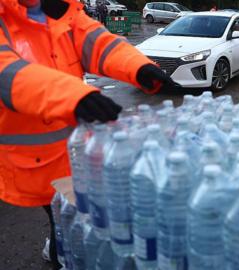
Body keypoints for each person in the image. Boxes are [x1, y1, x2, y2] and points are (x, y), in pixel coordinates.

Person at [0, 0, 175, 268]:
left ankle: (60, 249)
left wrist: (139, 67)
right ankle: (60, 253)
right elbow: (8, 72)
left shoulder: (61, 10)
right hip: (34, 154)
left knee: (76, 216)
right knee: (65, 218)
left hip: (75, 148)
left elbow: (100, 43)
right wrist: (75, 97)